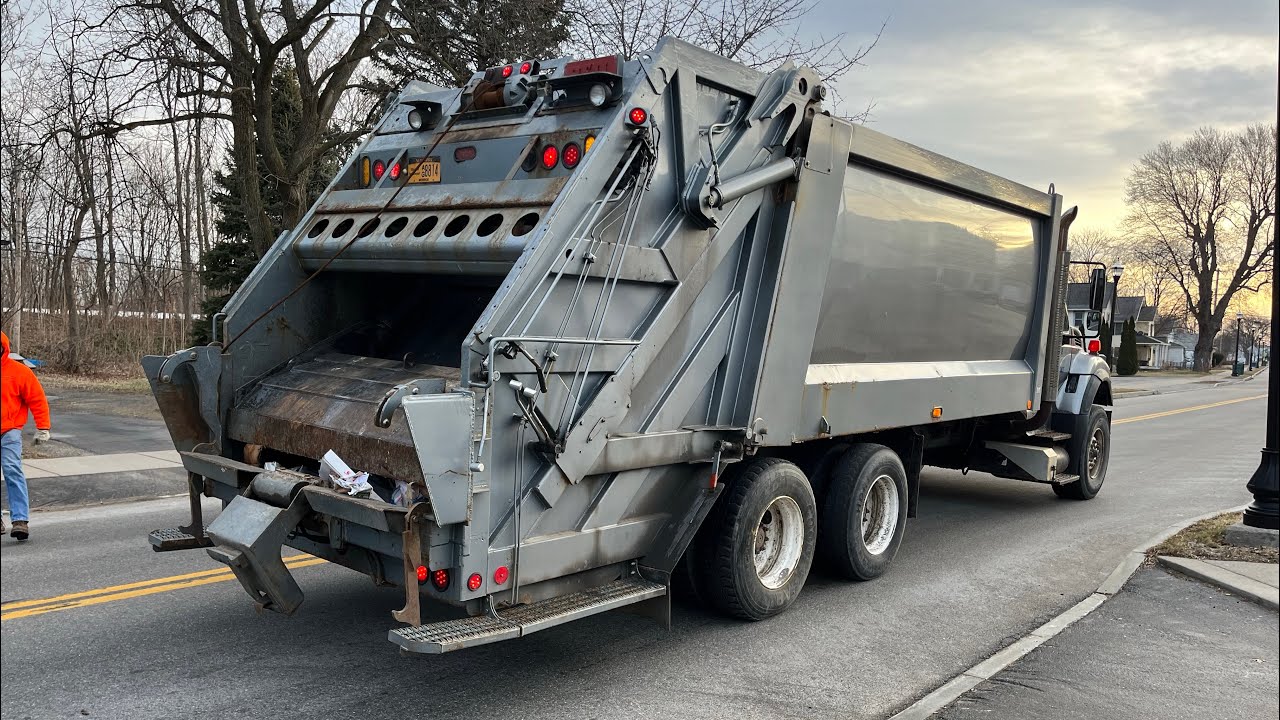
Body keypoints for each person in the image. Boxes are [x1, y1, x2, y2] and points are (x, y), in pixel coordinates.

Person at [1, 331, 51, 542]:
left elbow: (37, 399)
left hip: (9, 430)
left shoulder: (18, 372)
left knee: (12, 470)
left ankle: (20, 521)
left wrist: (43, 427)